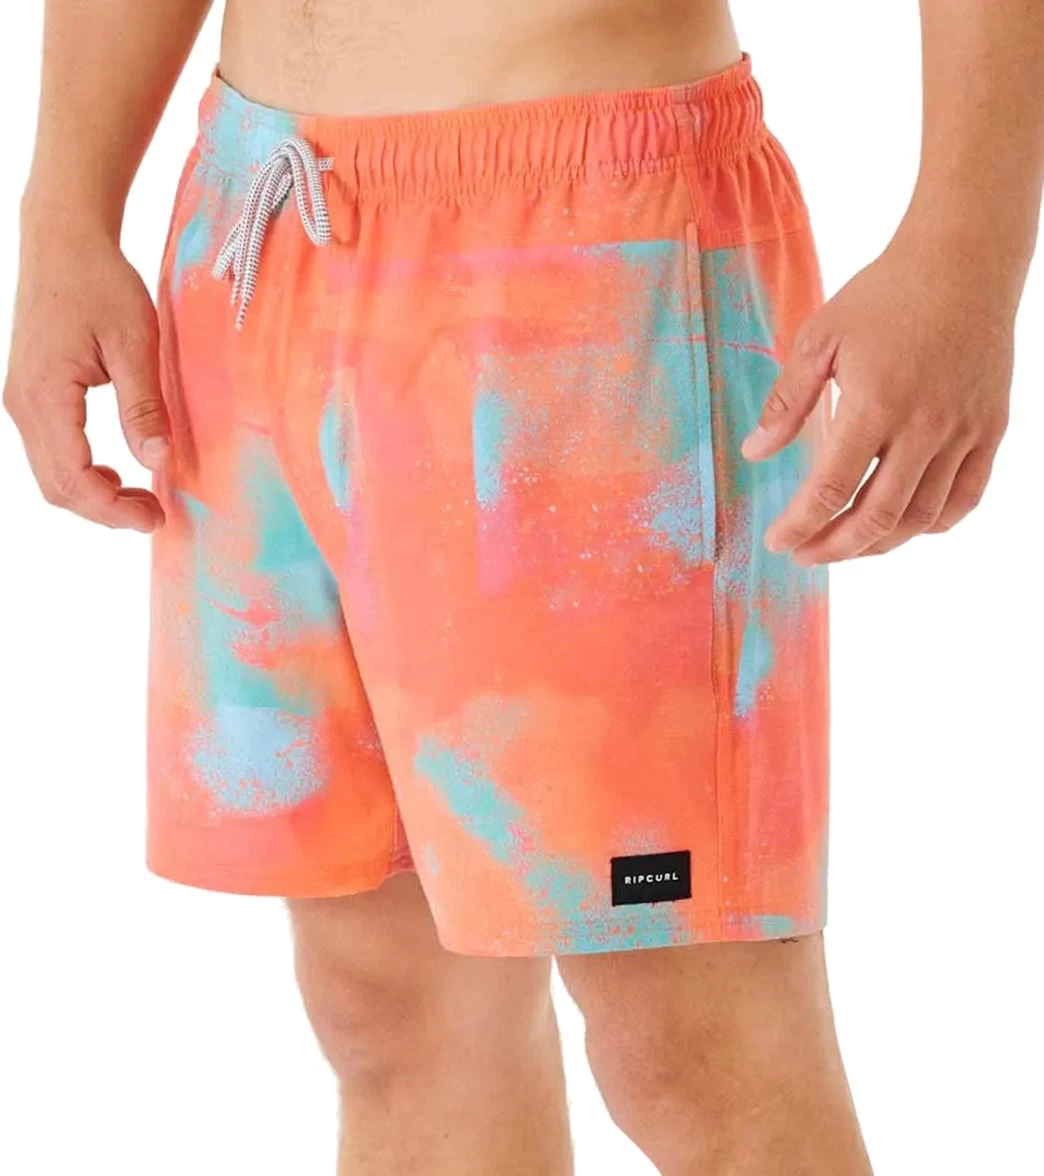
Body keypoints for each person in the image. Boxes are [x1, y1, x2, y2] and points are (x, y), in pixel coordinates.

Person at [5, 1, 1042, 1172]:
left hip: (586, 265)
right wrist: (65, 208)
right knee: (385, 1003)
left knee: (691, 1040)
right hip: (257, 225)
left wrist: (969, 250)